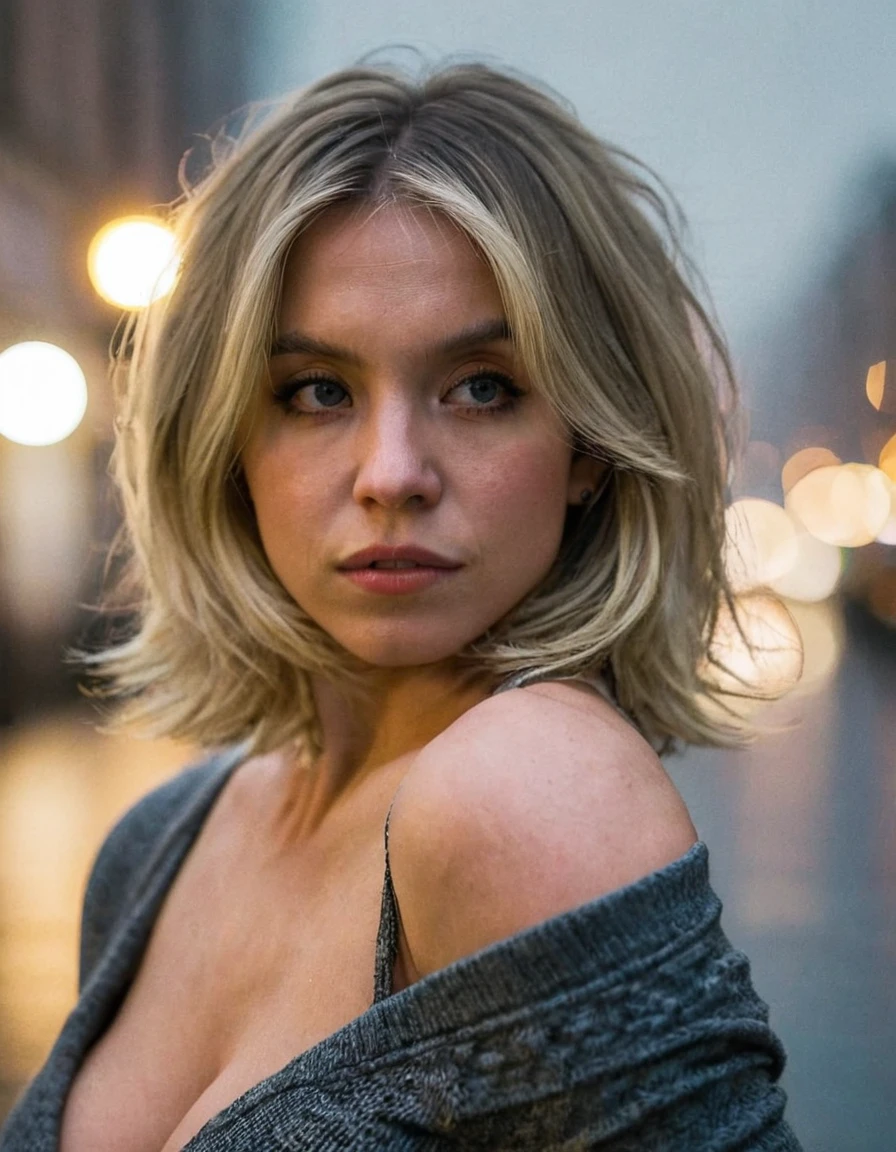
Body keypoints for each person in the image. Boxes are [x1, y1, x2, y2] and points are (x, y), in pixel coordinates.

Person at [1, 59, 802, 1151]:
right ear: (229, 437)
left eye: (481, 387)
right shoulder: (158, 844)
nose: (390, 473)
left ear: (588, 447)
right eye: (316, 392)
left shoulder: (528, 791)